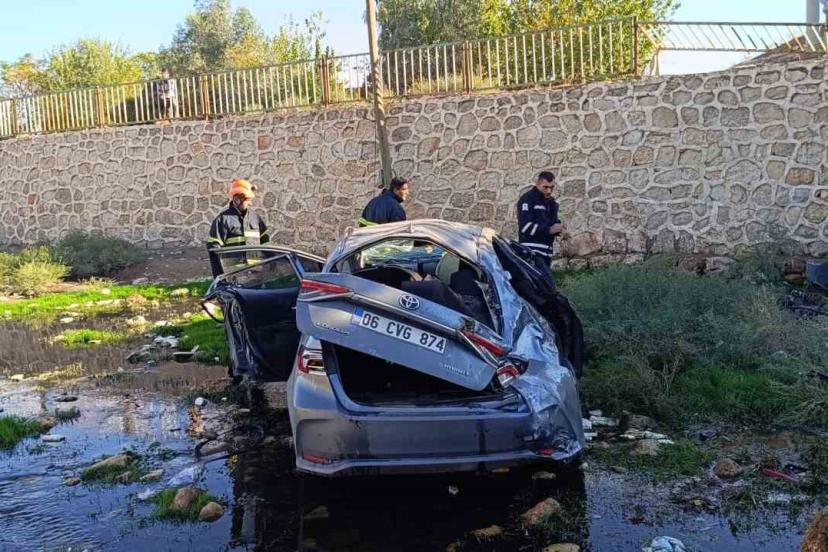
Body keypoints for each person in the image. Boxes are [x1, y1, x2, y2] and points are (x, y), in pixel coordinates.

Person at [207, 179, 270, 277]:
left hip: (256, 275)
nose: (250, 203)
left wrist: (270, 269)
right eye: (247, 200)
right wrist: (220, 278)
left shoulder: (255, 218)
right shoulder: (223, 220)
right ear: (237, 200)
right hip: (233, 277)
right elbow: (214, 250)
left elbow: (266, 243)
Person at [517, 170, 564, 279]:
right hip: (532, 252)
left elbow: (552, 222)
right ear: (538, 184)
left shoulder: (552, 203)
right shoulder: (528, 199)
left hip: (547, 252)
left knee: (545, 288)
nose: (549, 191)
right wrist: (549, 230)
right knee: (547, 287)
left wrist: (559, 229)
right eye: (545, 187)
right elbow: (525, 227)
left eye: (551, 187)